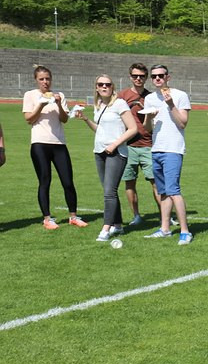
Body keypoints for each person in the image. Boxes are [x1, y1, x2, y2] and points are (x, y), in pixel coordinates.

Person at [22, 65, 88, 230]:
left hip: (58, 143)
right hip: (39, 144)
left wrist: (58, 103)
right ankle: (47, 219)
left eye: (47, 78)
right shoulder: (30, 95)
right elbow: (29, 119)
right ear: (36, 80)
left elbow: (64, 119)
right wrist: (41, 105)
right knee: (45, 181)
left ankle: (73, 216)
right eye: (42, 79)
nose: (45, 82)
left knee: (68, 181)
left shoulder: (59, 95)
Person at [75, 75, 140, 242]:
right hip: (99, 151)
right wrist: (86, 120)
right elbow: (101, 129)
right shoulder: (99, 105)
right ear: (96, 87)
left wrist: (114, 145)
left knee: (109, 191)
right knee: (108, 190)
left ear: (112, 86)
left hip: (116, 153)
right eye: (100, 84)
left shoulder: (120, 103)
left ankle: (106, 228)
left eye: (107, 84)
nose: (104, 87)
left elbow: (132, 129)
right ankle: (118, 225)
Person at [142, 65, 193, 245]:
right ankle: (165, 229)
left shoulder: (180, 95)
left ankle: (185, 231)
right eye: (154, 76)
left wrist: (170, 104)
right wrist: (148, 117)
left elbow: (183, 123)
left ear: (168, 77)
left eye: (160, 76)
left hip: (173, 148)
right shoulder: (149, 98)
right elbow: (148, 128)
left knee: (173, 191)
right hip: (156, 148)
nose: (157, 79)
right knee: (162, 192)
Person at [118, 63, 162, 228]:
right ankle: (136, 216)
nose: (138, 79)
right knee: (129, 182)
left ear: (146, 78)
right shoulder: (122, 96)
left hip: (148, 144)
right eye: (135, 76)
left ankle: (163, 216)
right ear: (130, 77)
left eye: (142, 76)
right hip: (127, 146)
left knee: (156, 182)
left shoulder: (151, 97)